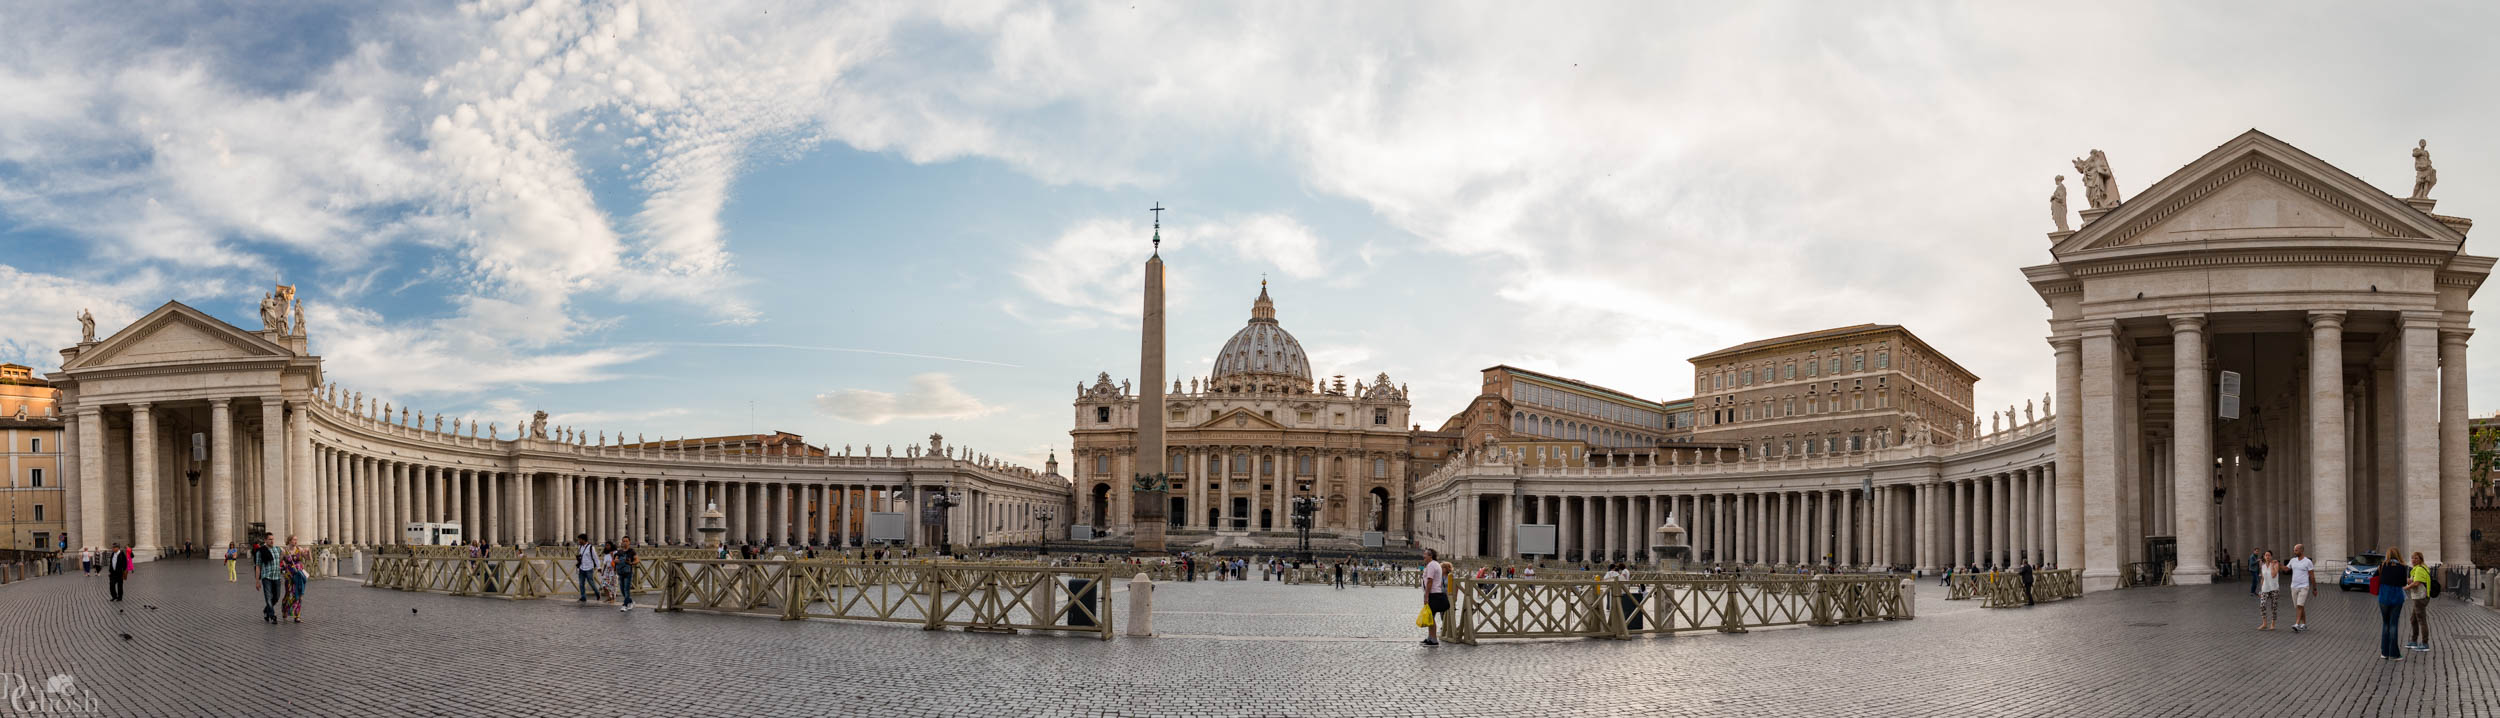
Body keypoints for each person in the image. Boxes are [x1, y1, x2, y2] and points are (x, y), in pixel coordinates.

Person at [2372, 546, 2407, 660]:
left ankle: (2384, 652)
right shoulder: (2402, 567)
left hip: (2384, 597)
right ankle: (2394, 653)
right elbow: (2403, 583)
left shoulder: (2382, 566)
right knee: (2393, 624)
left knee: (2385, 624)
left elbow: (2374, 577)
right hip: (2396, 598)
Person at [1419, 548, 1450, 646]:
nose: (1423, 556)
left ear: (1430, 556)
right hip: (1435, 593)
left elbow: (1430, 580)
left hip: (1433, 594)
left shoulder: (1432, 565)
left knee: (1431, 617)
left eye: (1425, 554)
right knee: (1430, 616)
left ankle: (1433, 640)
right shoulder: (1435, 564)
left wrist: (1426, 596)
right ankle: (1430, 637)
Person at [2405, 551, 2432, 652]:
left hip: (2420, 598)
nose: (2413, 560)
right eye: (2412, 558)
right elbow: (2417, 581)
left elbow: (2416, 583)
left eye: (2416, 558)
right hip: (2418, 597)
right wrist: (2410, 581)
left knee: (2421, 620)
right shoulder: (2418, 569)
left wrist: (2406, 587)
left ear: (2420, 559)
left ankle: (2425, 643)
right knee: (2413, 619)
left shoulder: (2420, 569)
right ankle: (2414, 641)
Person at [253, 538, 283, 624]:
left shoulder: (277, 549)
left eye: (273, 539)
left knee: (276, 597)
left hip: (276, 576)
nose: (272, 541)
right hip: (266, 577)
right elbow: (258, 566)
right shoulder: (260, 551)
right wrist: (257, 581)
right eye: (270, 539)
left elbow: (282, 557)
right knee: (268, 597)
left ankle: (266, 610)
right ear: (265, 540)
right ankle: (272, 615)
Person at [2286, 543, 2315, 632]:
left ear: (2301, 550)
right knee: (2299, 606)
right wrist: (2277, 564)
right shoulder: (2293, 560)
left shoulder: (2308, 562)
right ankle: (2304, 624)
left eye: (2296, 550)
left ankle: (2297, 624)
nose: (2294, 552)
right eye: (2294, 550)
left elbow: (2312, 576)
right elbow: (2286, 569)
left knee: (2299, 605)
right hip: (2294, 587)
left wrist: (2315, 588)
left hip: (2304, 586)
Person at [281, 540, 309, 623]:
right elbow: (279, 561)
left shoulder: (299, 549)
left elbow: (308, 558)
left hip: (299, 575)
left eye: (296, 540)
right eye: (294, 540)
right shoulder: (285, 551)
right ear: (289, 541)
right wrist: (284, 565)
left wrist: (309, 552)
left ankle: (297, 615)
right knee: (288, 593)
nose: (295, 541)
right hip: (289, 575)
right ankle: (285, 610)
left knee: (298, 593)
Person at [2255, 549, 2280, 631]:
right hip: (2265, 588)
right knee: (2262, 605)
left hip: (2274, 588)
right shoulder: (2262, 566)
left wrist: (2272, 565)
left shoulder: (2276, 564)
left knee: (2274, 607)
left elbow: (2273, 575)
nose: (2267, 556)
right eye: (2266, 555)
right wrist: (2261, 590)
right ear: (2264, 557)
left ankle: (2272, 624)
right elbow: (2262, 578)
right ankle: (2264, 623)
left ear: (2271, 556)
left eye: (2269, 555)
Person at [614, 538, 640, 612]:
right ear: (622, 542)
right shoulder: (619, 551)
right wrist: (616, 560)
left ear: (629, 542)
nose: (625, 542)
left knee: (626, 589)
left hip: (628, 572)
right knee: (622, 589)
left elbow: (637, 560)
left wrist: (631, 563)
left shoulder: (632, 551)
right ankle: (630, 601)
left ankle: (625, 605)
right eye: (623, 541)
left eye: (626, 541)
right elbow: (615, 559)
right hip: (620, 572)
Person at [573, 534, 598, 603]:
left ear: (583, 540)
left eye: (579, 539)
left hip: (589, 568)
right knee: (581, 583)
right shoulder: (580, 547)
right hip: (581, 567)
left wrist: (599, 567)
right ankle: (583, 597)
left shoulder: (591, 547)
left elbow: (595, 558)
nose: (578, 541)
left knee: (591, 582)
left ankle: (597, 592)